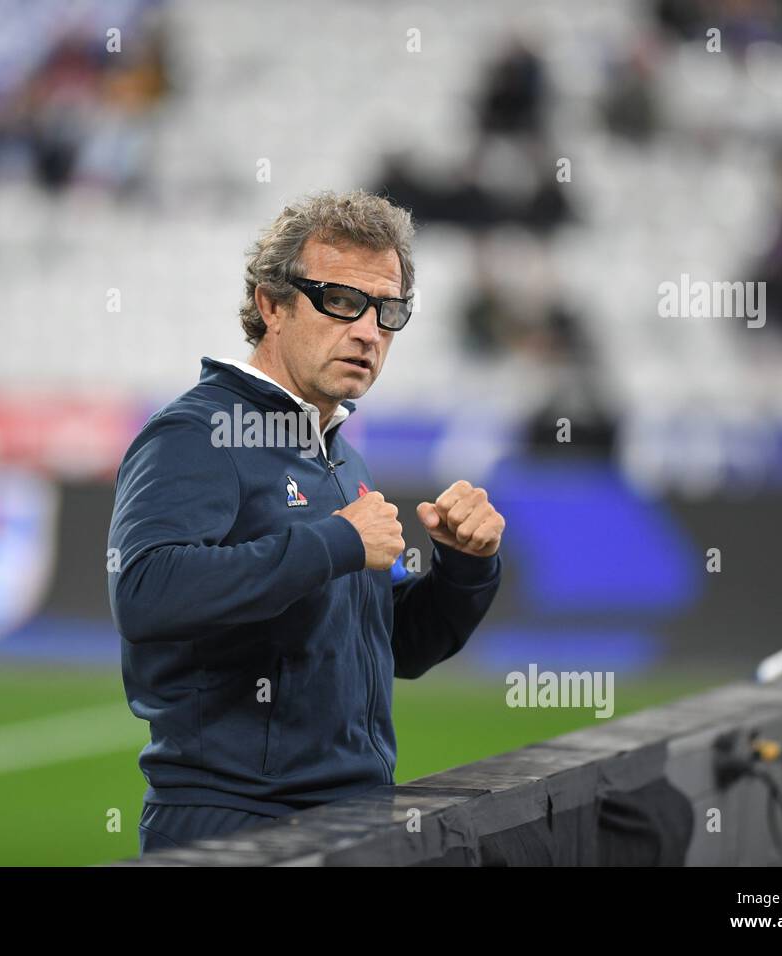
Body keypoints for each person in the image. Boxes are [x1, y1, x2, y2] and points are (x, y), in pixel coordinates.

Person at [107, 189, 505, 857]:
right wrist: (337, 541)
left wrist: (465, 567)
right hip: (235, 825)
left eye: (388, 311)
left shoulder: (337, 451)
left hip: (353, 818)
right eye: (342, 301)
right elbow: (145, 591)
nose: (368, 331)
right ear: (271, 304)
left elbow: (395, 648)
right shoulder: (197, 430)